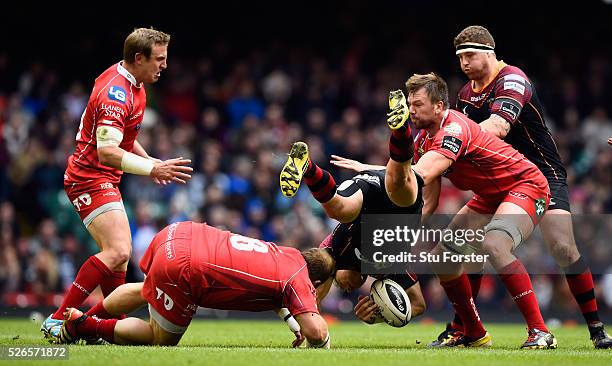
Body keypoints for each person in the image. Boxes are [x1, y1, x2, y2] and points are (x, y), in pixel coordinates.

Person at [337, 73, 556, 349]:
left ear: (439, 106)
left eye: (417, 104)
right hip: (490, 196)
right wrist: (404, 234)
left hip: (526, 185)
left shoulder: (454, 129)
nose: (411, 111)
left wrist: (372, 170)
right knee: (442, 257)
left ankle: (540, 331)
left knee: (495, 244)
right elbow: (427, 199)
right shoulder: (421, 141)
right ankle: (473, 333)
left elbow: (421, 174)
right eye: (409, 104)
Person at [435, 25, 611, 349]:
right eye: (460, 57)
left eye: (470, 55)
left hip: (541, 174)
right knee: (460, 245)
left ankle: (597, 328)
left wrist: (451, 142)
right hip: (501, 176)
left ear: (490, 52)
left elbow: (497, 127)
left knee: (562, 248)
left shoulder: (512, 79)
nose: (464, 63)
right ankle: (465, 327)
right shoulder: (464, 95)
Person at [41, 28, 193, 339]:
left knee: (119, 254)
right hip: (89, 177)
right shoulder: (116, 93)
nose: (164, 65)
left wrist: (152, 161)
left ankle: (110, 325)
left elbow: (124, 141)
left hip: (102, 177)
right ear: (139, 58)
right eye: (159, 59)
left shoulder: (134, 82)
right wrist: (152, 171)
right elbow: (108, 152)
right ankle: (58, 319)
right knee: (118, 250)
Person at [55, 221, 333, 348]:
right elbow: (318, 333)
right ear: (317, 282)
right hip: (186, 267)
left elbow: (276, 290)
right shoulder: (299, 280)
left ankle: (86, 317)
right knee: (158, 338)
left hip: (179, 232)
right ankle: (85, 326)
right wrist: (316, 333)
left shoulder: (287, 254)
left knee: (146, 288)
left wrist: (291, 320)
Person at [279, 91, 427, 324]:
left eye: (339, 283)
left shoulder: (334, 249)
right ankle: (307, 167)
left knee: (345, 206)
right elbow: (419, 304)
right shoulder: (386, 268)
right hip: (399, 213)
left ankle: (400, 126)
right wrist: (377, 315)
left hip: (371, 189)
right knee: (344, 206)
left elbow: (313, 295)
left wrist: (377, 316)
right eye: (343, 286)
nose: (347, 287)